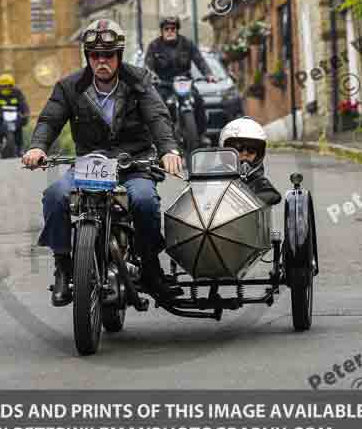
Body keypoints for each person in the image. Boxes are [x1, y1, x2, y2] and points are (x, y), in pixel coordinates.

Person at [22, 18, 183, 306]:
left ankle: (150, 266)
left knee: (145, 200)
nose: (102, 61)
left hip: (133, 164)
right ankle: (63, 266)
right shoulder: (69, 87)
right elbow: (49, 119)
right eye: (95, 55)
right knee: (55, 196)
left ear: (118, 56)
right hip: (90, 165)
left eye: (108, 55)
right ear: (88, 57)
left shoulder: (139, 81)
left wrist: (169, 150)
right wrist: (37, 147)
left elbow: (157, 116)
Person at [145, 16, 216, 144]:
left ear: (177, 30)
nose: (170, 31)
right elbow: (148, 65)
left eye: (173, 29)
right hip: (164, 83)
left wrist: (208, 74)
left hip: (185, 82)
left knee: (198, 100)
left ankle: (201, 134)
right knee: (158, 106)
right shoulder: (154, 46)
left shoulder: (187, 43)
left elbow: (199, 60)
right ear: (162, 31)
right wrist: (152, 75)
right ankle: (160, 138)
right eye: (166, 29)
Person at [218, 117, 281, 206]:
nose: (245, 153)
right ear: (225, 150)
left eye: (252, 149)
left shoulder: (257, 179)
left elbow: (271, 194)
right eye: (237, 148)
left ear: (259, 154)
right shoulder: (214, 175)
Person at [0, 74, 30, 156]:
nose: (6, 88)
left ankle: (20, 147)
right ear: (0, 86)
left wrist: (25, 114)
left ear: (12, 85)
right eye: (3, 86)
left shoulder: (17, 92)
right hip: (1, 115)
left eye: (8, 86)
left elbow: (23, 103)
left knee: (19, 127)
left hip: (14, 114)